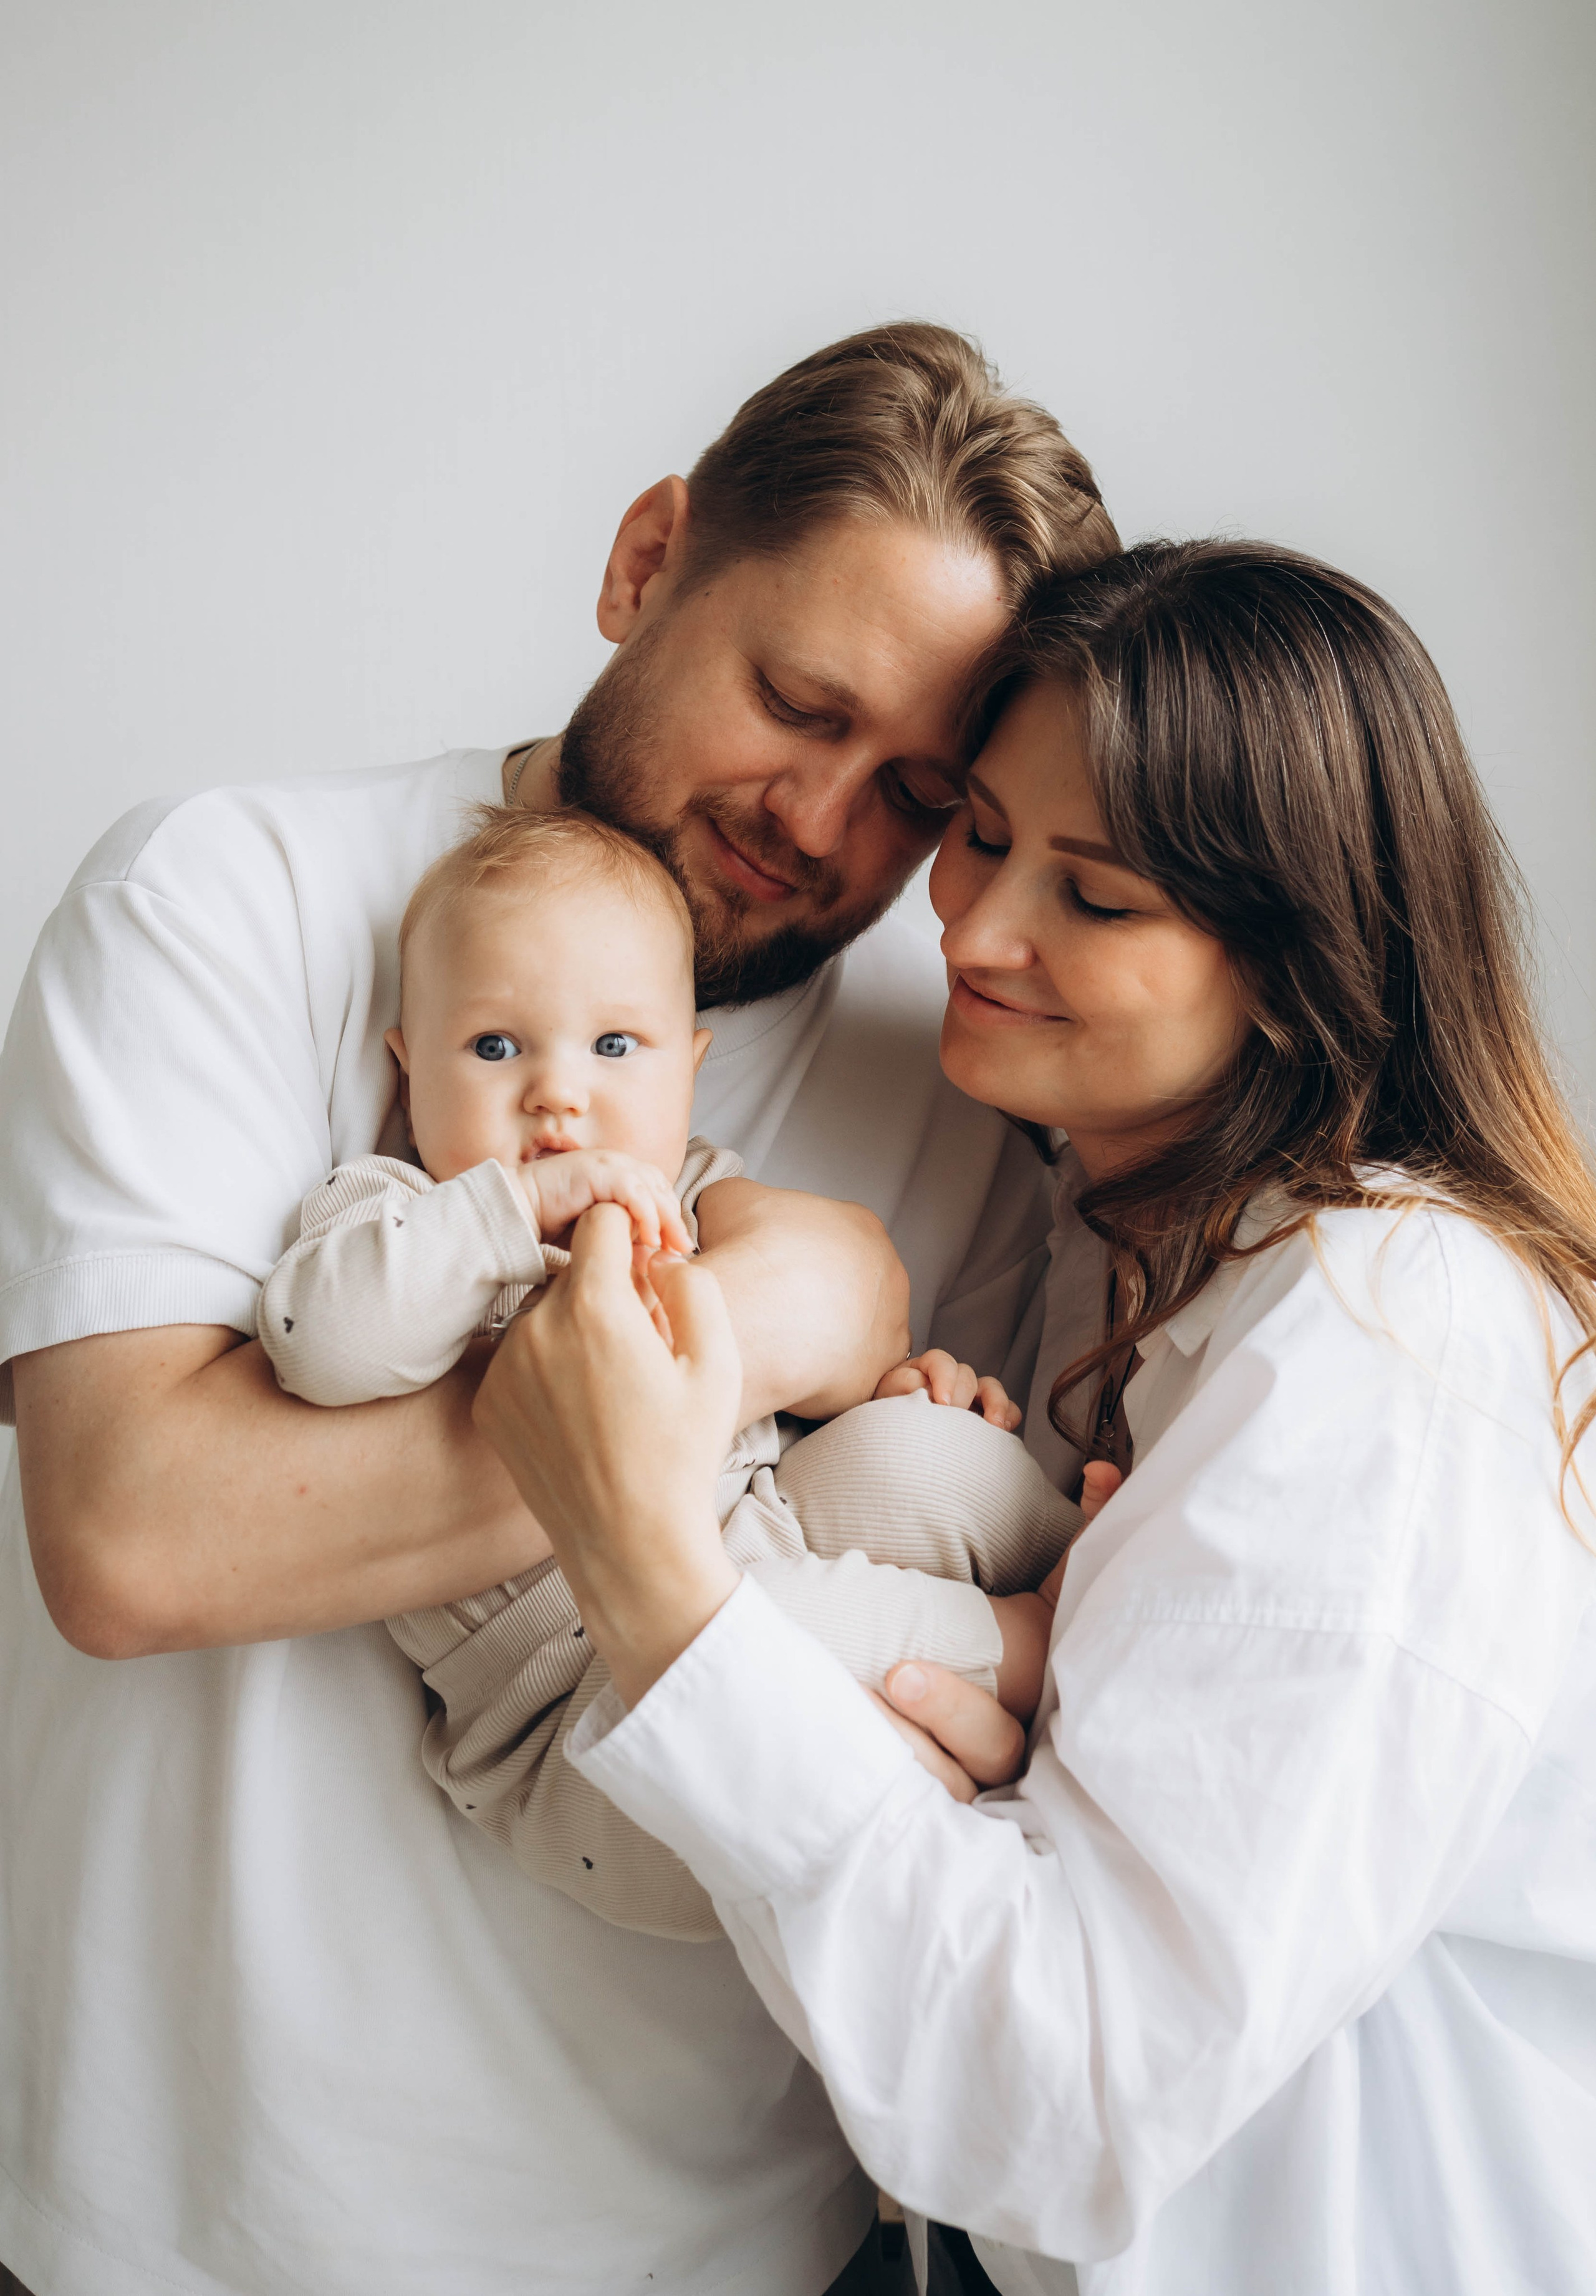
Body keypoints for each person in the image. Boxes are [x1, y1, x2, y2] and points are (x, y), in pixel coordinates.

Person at [0, 323, 1117, 2296]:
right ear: (646, 558)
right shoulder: (230, 899)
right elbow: (130, 1532)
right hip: (184, 2229)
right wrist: (770, 1333)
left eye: (917, 790)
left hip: (731, 2239)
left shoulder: (956, 1093)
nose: (822, 819)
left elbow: (965, 1693)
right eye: (794, 699)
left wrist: (886, 1360)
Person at [472, 539, 1596, 2296]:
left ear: (1295, 962)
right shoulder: (1097, 1226)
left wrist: (652, 1575)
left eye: (1100, 894)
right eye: (981, 834)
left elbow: (1061, 2096)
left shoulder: (1387, 1335)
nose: (975, 932)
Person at [262, 799, 1075, 1939]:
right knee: (779, 1633)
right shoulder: (400, 1215)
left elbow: (824, 1360)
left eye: (613, 1048)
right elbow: (319, 1343)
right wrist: (508, 1214)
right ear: (408, 1070)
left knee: (923, 1459)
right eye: (495, 1047)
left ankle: (1087, 1555)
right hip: (581, 1724)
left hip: (765, 1528)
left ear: (688, 1068)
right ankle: (1052, 1645)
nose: (556, 1094)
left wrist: (894, 1400)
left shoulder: (695, 1199)